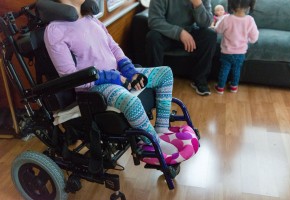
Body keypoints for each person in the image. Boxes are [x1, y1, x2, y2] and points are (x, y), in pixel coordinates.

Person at [44, 0, 178, 155]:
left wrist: (129, 71)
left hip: (118, 75)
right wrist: (114, 77)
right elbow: (70, 76)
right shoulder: (55, 30)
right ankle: (154, 143)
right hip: (94, 87)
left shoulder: (90, 18)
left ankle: (161, 129)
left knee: (165, 74)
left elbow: (113, 47)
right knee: (131, 101)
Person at [146, 0, 217, 96]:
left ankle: (200, 80)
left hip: (191, 33)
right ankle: (155, 81)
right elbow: (154, 21)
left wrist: (198, 5)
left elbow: (206, 23)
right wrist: (179, 33)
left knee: (210, 35)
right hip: (167, 33)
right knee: (152, 36)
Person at [214, 0, 259, 94]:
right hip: (241, 52)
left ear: (231, 5)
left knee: (224, 69)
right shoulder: (250, 20)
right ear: (248, 6)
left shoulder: (226, 19)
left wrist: (219, 21)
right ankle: (234, 87)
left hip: (226, 52)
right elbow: (254, 38)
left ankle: (220, 87)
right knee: (236, 69)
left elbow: (217, 30)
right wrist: (249, 40)